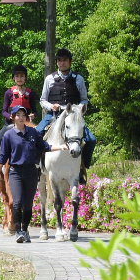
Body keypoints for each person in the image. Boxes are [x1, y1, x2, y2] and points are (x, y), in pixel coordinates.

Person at [0, 105, 67, 243]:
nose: (21, 118)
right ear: (13, 117)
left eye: (23, 115)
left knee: (28, 205)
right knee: (17, 203)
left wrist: (62, 146)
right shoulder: (8, 135)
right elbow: (2, 157)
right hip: (15, 172)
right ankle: (19, 232)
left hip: (31, 172)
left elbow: (45, 147)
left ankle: (25, 230)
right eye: (18, 115)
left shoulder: (33, 133)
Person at [36, 48, 96, 185]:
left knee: (91, 140)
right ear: (57, 62)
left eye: (65, 60)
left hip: (73, 117)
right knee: (36, 134)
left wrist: (77, 108)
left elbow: (84, 100)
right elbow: (42, 100)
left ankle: (82, 168)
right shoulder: (49, 79)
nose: (62, 63)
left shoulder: (78, 79)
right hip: (53, 115)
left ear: (70, 62)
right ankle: (37, 166)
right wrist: (51, 106)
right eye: (60, 60)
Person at [0, 64, 38, 179]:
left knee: (41, 141)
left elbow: (35, 111)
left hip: (26, 124)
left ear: (25, 78)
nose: (19, 78)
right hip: (10, 125)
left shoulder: (30, 93)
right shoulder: (9, 93)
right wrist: (10, 117)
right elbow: (3, 111)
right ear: (13, 78)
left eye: (22, 76)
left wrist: (32, 115)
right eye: (17, 76)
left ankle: (39, 168)